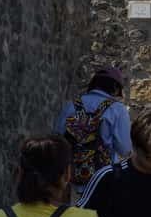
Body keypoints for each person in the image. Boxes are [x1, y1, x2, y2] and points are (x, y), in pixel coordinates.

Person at [55, 67, 132, 195]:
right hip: (103, 182)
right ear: (115, 87)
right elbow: (124, 149)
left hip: (71, 181)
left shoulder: (71, 106)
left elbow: (57, 141)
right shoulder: (117, 109)